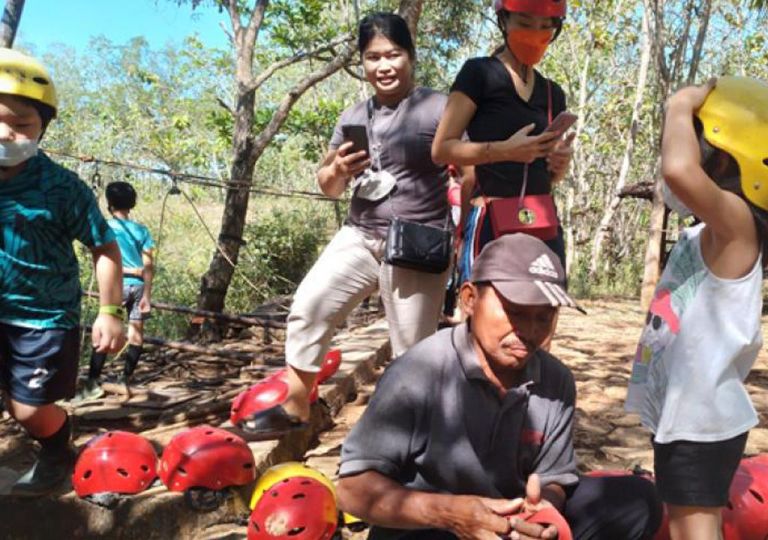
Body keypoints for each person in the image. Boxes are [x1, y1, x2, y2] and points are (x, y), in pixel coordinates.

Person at [337, 233, 663, 540]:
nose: (529, 331)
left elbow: (553, 478)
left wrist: (545, 510)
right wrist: (448, 514)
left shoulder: (556, 380)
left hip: (508, 523)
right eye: (515, 312)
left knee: (638, 500)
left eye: (544, 317)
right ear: (469, 300)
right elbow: (351, 489)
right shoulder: (419, 372)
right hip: (430, 526)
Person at [625, 76, 768, 539]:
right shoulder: (711, 233)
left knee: (694, 532)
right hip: (691, 419)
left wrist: (680, 103)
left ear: (728, 162)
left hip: (703, 423)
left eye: (699, 144)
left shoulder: (737, 227)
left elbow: (678, 170)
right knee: (685, 527)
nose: (686, 153)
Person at [242, 13, 450, 435]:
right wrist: (337, 166)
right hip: (360, 234)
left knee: (413, 348)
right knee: (309, 306)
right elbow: (328, 186)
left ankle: (416, 434)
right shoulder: (353, 115)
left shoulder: (440, 108)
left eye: (393, 54)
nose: (384, 66)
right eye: (373, 57)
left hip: (419, 241)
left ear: (410, 56)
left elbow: (468, 172)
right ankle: (299, 410)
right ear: (362, 63)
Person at [0, 48, 125, 496]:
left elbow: (104, 246)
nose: (5, 133)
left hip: (44, 319)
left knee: (29, 411)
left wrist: (111, 311)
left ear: (43, 128)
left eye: (21, 124)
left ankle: (57, 446)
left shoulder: (61, 187)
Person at [432, 0, 576, 284]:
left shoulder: (552, 93)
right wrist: (505, 151)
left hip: (541, 223)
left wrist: (559, 163)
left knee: (541, 317)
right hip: (490, 219)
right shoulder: (478, 74)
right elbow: (441, 149)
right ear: (504, 21)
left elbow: (548, 175)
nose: (535, 34)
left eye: (545, 27)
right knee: (486, 318)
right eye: (524, 23)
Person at [76, 181, 155, 399]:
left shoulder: (106, 227)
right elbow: (148, 265)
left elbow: (101, 254)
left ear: (109, 203)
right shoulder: (142, 231)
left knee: (104, 331)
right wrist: (147, 294)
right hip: (138, 287)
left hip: (116, 286)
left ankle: (93, 383)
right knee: (136, 334)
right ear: (132, 203)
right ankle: (124, 378)